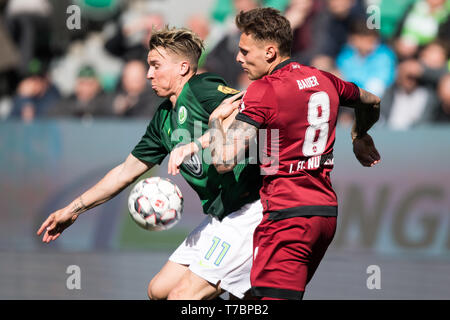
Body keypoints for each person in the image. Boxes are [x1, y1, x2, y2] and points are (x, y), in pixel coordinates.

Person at [37, 27, 263, 300]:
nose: (148, 74)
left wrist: (199, 142)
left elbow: (245, 108)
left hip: (249, 210)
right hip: (219, 215)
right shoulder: (163, 120)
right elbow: (124, 172)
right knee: (158, 291)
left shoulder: (201, 88)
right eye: (148, 66)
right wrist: (73, 210)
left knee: (183, 298)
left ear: (182, 68)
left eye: (156, 66)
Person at [208, 8, 381, 300]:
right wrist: (360, 134)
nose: (238, 58)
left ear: (270, 52)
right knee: (253, 297)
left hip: (288, 218)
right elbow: (371, 101)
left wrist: (215, 123)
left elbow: (224, 162)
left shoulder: (263, 90)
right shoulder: (324, 79)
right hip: (324, 214)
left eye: (245, 51)